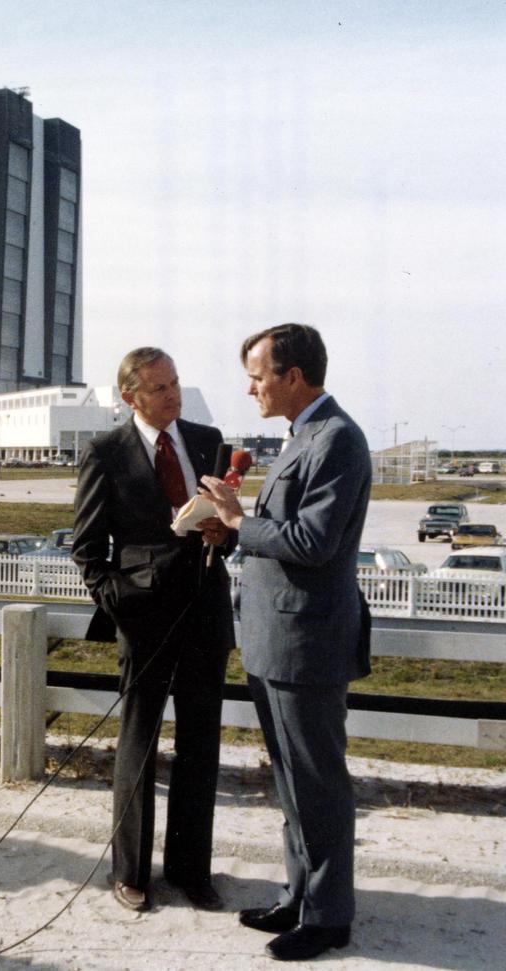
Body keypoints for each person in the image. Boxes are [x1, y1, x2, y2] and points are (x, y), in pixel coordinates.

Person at [198, 323, 370, 962]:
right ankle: (300, 895)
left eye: (258, 375)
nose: (251, 389)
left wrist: (241, 522)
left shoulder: (338, 440)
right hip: (278, 637)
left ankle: (329, 917)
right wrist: (233, 531)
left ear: (293, 377)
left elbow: (313, 543)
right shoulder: (307, 436)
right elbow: (283, 533)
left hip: (307, 642)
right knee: (293, 782)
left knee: (317, 783)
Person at [71, 347, 235, 914]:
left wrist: (225, 534)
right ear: (130, 397)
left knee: (199, 744)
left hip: (206, 613)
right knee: (138, 741)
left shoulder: (208, 439)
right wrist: (117, 603)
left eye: (176, 383)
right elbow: (87, 548)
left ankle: (192, 871)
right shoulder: (105, 453)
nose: (173, 395)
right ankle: (130, 873)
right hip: (143, 619)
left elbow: (230, 524)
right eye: (160, 388)